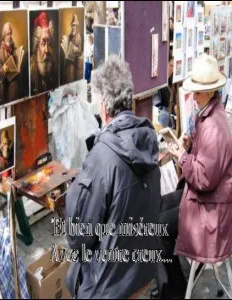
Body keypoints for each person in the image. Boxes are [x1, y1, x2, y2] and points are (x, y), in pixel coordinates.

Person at [65, 56, 161, 299]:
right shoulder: (148, 141)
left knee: (72, 276)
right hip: (142, 272)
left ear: (104, 107)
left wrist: (75, 191)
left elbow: (78, 238)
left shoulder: (102, 158)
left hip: (111, 287)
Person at [168, 54, 232, 265]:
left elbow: (204, 178)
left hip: (209, 215)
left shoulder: (213, 126)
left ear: (208, 92)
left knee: (157, 227)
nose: (194, 98)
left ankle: (172, 289)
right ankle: (172, 286)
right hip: (205, 203)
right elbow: (207, 162)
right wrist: (191, 143)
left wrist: (182, 157)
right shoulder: (210, 114)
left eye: (197, 93)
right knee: (159, 209)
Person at [30, 12, 57, 95]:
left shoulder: (54, 71)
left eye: (49, 43)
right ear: (36, 45)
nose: (47, 50)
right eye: (43, 43)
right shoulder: (30, 70)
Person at [153, 52, 178, 130]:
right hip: (162, 122)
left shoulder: (172, 78)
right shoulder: (157, 81)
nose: (173, 69)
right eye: (171, 65)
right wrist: (173, 110)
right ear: (164, 64)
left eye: (174, 66)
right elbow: (157, 107)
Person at [0, 22, 21, 104]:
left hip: (15, 83)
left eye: (10, 34)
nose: (10, 36)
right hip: (6, 86)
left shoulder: (12, 48)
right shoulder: (1, 51)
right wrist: (3, 69)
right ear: (4, 36)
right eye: (8, 34)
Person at [63, 14, 82, 84]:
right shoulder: (69, 35)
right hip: (67, 59)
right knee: (67, 76)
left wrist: (75, 48)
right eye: (72, 25)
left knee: (71, 77)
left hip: (74, 61)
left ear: (76, 26)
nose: (73, 27)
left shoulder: (78, 36)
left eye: (75, 25)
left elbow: (80, 51)